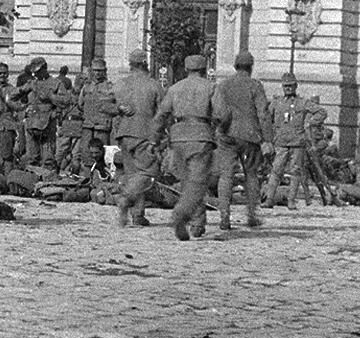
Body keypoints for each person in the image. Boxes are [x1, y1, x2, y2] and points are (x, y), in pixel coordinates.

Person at [159, 53, 218, 240]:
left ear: (186, 69)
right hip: (200, 136)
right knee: (198, 181)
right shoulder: (211, 87)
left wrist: (159, 136)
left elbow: (162, 114)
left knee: (187, 182)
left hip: (178, 137)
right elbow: (222, 114)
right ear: (204, 69)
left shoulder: (174, 88)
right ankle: (184, 215)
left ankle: (197, 222)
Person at [210, 51, 272, 229]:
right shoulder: (255, 86)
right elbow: (263, 114)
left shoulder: (223, 85)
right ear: (251, 67)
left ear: (235, 66)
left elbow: (217, 111)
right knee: (251, 174)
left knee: (226, 175)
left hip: (226, 135)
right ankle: (251, 215)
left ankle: (224, 216)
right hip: (249, 136)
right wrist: (267, 139)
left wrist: (219, 129)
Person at [111, 50, 163, 228]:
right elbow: (163, 113)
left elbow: (103, 105)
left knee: (133, 175)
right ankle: (125, 199)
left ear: (130, 64)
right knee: (147, 173)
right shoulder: (154, 85)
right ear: (145, 63)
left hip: (124, 134)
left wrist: (119, 108)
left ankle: (138, 215)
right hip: (145, 134)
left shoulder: (120, 84)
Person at [270, 74, 309, 207]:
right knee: (276, 170)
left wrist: (309, 123)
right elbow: (267, 118)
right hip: (281, 142)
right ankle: (269, 199)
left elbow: (321, 112)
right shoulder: (276, 102)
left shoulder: (303, 102)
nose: (288, 88)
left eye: (290, 86)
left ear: (295, 86)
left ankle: (291, 200)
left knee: (295, 171)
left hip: (297, 142)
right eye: (285, 86)